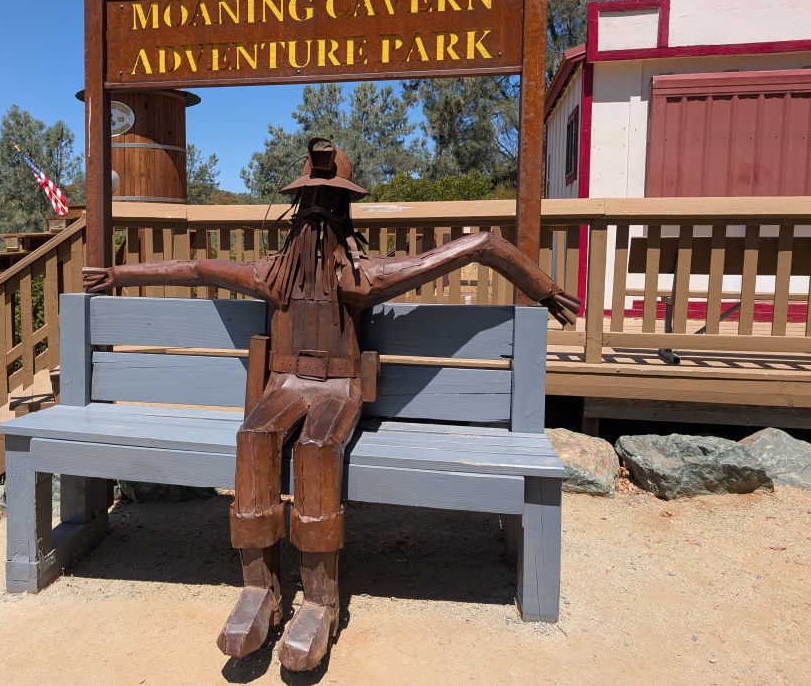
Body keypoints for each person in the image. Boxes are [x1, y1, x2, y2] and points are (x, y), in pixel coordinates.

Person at [83, 138, 580, 671]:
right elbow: (197, 269)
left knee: (318, 449)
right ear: (297, 209)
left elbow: (478, 245)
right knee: (253, 438)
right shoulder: (272, 277)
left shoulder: (359, 278)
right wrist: (121, 276)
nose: (317, 216)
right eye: (311, 202)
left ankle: (321, 601)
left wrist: (544, 287)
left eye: (328, 202)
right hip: (282, 385)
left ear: (342, 211)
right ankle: (260, 592)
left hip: (339, 389)